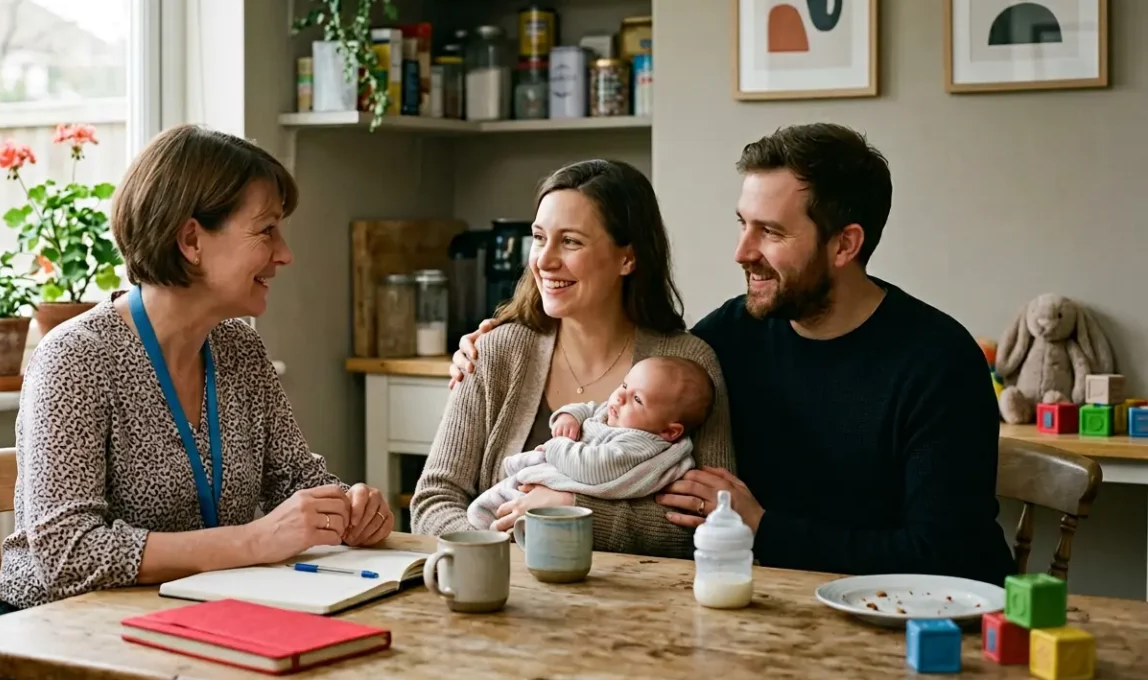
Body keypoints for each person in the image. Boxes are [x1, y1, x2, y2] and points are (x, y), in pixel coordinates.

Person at [449, 123, 1016, 586]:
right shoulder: (727, 338)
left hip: (922, 624)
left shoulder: (939, 363)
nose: (742, 252)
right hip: (770, 610)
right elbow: (656, 379)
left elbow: (947, 558)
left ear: (845, 244)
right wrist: (500, 334)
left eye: (770, 232)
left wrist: (763, 526)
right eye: (743, 225)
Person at [0, 124, 394, 613]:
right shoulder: (76, 358)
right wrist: (253, 541)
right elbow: (69, 555)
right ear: (190, 240)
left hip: (188, 617)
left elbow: (295, 481)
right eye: (266, 230)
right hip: (57, 640)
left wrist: (350, 507)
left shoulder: (239, 348)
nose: (285, 254)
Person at [409, 159, 736, 560]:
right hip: (506, 600)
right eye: (539, 237)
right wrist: (497, 557)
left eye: (571, 242)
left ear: (627, 258)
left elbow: (709, 521)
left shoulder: (688, 363)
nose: (544, 261)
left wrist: (570, 512)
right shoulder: (496, 351)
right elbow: (433, 501)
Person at [467, 356, 714, 530]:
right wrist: (570, 416)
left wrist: (557, 445)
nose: (619, 396)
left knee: (492, 510)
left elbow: (593, 467)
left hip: (561, 492)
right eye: (625, 385)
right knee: (487, 512)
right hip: (534, 493)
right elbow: (591, 408)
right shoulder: (620, 414)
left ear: (670, 432)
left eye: (637, 399)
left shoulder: (642, 444)